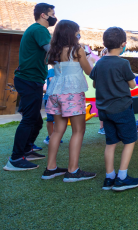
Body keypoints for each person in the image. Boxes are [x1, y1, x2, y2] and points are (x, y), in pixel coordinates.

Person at [4, 3, 56, 171]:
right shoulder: (40, 30)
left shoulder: (34, 30)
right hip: (29, 79)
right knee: (29, 119)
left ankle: (27, 149)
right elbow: (52, 52)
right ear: (43, 15)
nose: (54, 17)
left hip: (30, 79)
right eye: (52, 14)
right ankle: (16, 158)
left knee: (36, 120)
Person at [42, 20, 95, 182]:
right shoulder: (77, 50)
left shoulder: (53, 51)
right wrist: (90, 59)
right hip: (72, 94)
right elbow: (89, 71)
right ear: (72, 33)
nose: (79, 34)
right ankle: (73, 171)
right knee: (78, 130)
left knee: (58, 131)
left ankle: (50, 168)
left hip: (55, 93)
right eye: (77, 32)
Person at [90, 27, 138, 191]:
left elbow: (94, 84)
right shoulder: (123, 63)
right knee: (130, 140)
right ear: (123, 44)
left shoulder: (99, 63)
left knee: (110, 143)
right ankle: (122, 177)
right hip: (122, 108)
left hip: (104, 111)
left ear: (105, 44)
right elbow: (133, 85)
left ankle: (109, 178)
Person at [43, 66, 63, 145]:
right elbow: (53, 81)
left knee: (57, 119)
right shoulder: (52, 70)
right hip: (50, 98)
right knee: (50, 119)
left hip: (58, 98)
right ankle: (50, 137)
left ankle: (55, 136)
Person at [97, 48, 108, 135]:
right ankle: (102, 127)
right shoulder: (99, 63)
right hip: (102, 90)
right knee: (102, 109)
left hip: (108, 90)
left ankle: (107, 127)